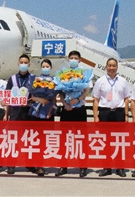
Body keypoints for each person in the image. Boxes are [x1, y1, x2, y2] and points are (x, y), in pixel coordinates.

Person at [55, 50, 91, 178]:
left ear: (80, 60)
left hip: (79, 109)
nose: (73, 60)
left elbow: (87, 90)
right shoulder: (63, 73)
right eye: (71, 58)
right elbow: (60, 92)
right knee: (64, 138)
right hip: (67, 110)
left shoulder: (84, 73)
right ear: (68, 59)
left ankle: (83, 166)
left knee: (81, 138)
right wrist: (65, 104)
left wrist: (78, 99)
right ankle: (63, 166)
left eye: (76, 58)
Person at [92, 58, 131, 177]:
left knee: (120, 140)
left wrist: (126, 115)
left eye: (114, 66)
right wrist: (96, 116)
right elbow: (95, 99)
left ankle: (120, 168)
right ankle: (107, 167)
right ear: (106, 67)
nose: (111, 68)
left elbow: (126, 99)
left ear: (117, 67)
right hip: (105, 112)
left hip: (119, 112)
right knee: (106, 141)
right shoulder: (100, 81)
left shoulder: (123, 81)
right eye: (109, 65)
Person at [4, 54, 36, 175]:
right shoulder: (12, 79)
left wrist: (29, 101)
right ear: (18, 64)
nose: (23, 64)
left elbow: (36, 96)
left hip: (29, 113)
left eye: (25, 62)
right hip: (15, 113)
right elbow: (7, 97)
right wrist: (6, 114)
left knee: (29, 140)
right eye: (21, 62)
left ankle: (30, 164)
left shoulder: (33, 78)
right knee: (13, 140)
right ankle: (11, 164)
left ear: (29, 64)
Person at [29, 59, 56, 176]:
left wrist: (50, 112)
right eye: (43, 66)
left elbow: (54, 99)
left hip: (47, 113)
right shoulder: (36, 80)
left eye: (47, 66)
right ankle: (37, 165)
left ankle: (42, 164)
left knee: (46, 140)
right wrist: (40, 99)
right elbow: (32, 96)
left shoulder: (54, 81)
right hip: (36, 112)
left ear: (51, 67)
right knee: (36, 139)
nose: (45, 68)